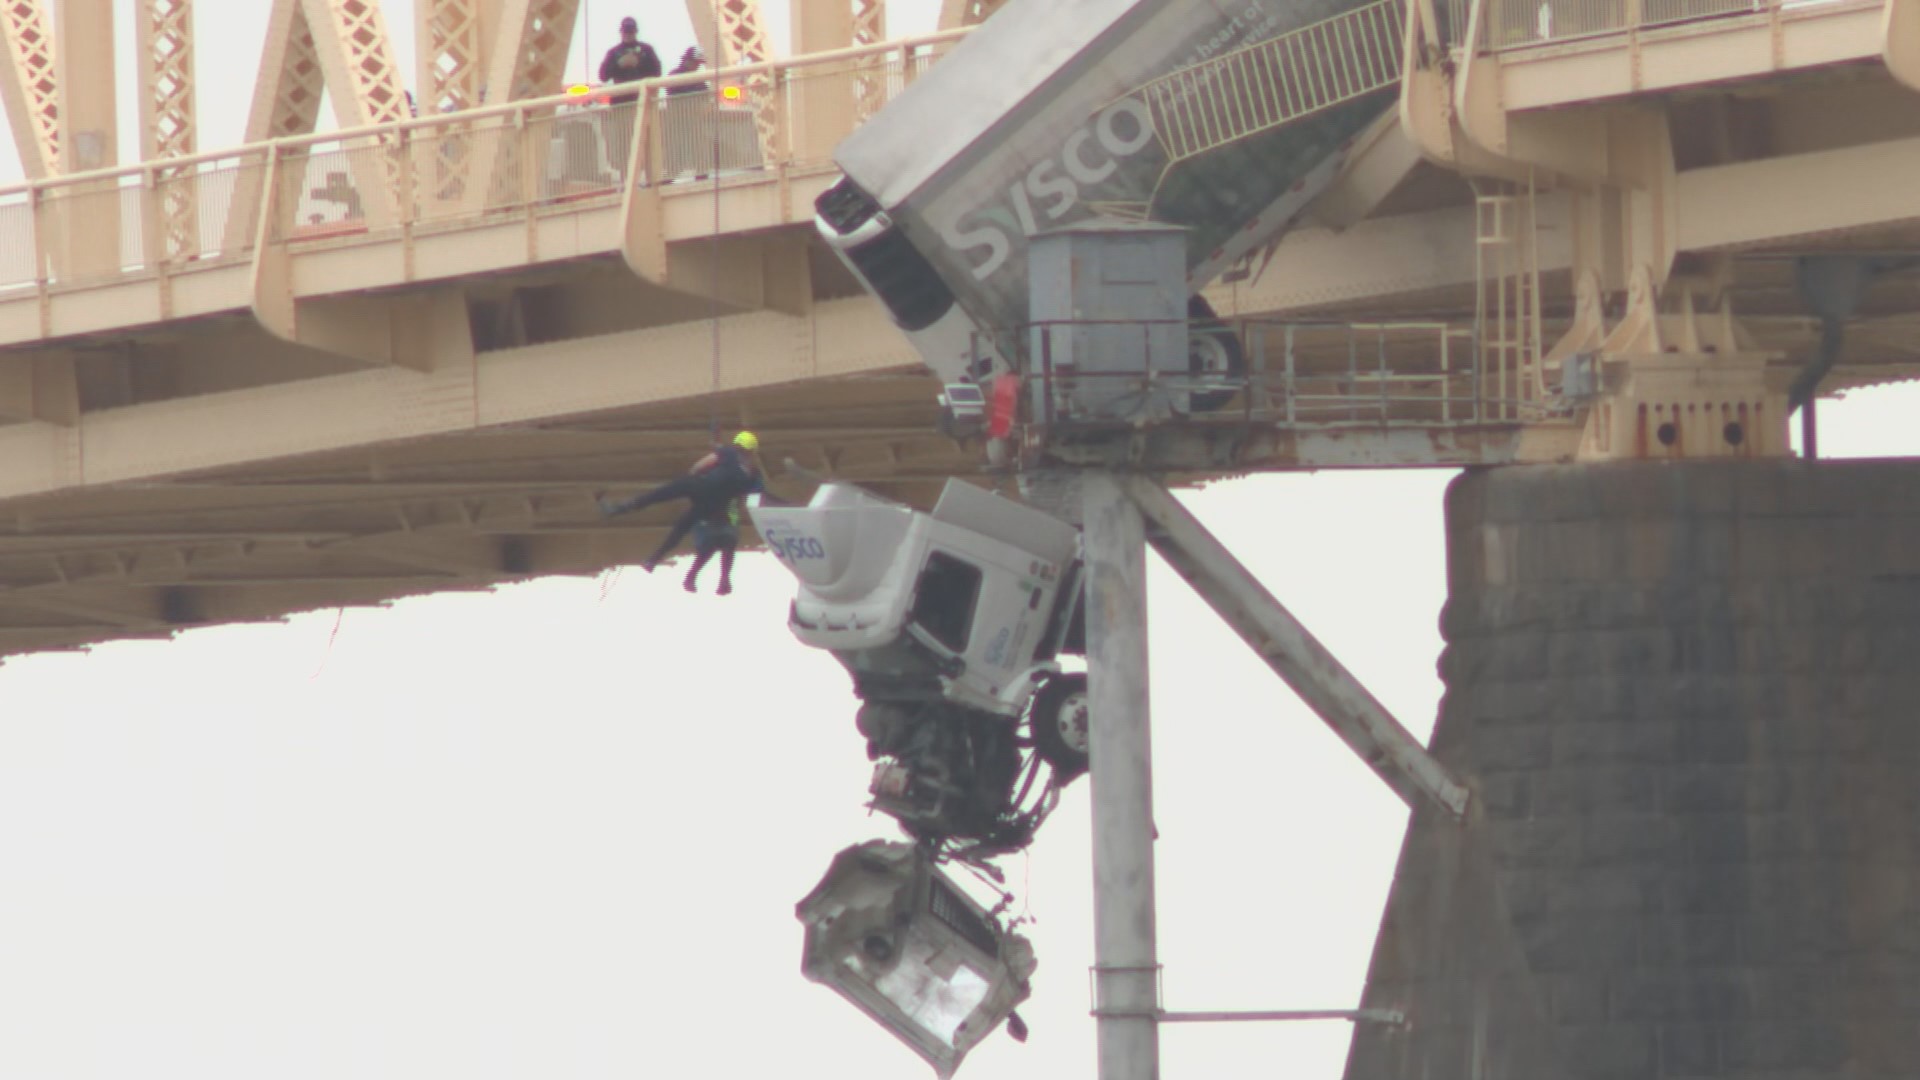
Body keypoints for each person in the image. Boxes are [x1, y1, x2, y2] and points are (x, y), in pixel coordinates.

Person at [599, 432, 764, 578]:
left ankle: (616, 509)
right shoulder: (753, 474)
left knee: (657, 495)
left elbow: (701, 465)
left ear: (738, 443)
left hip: (700, 485)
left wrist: (692, 475)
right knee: (681, 528)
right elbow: (749, 496)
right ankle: (653, 560)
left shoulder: (728, 453)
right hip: (713, 504)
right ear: (752, 451)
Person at [598, 17, 661, 173]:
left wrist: (638, 63)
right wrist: (619, 64)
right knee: (624, 143)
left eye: (630, 31)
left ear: (635, 31)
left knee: (647, 141)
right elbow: (603, 75)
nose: (628, 34)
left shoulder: (646, 50)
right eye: (626, 31)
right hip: (622, 106)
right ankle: (626, 176)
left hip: (644, 102)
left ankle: (649, 175)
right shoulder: (613, 53)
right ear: (621, 32)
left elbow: (657, 71)